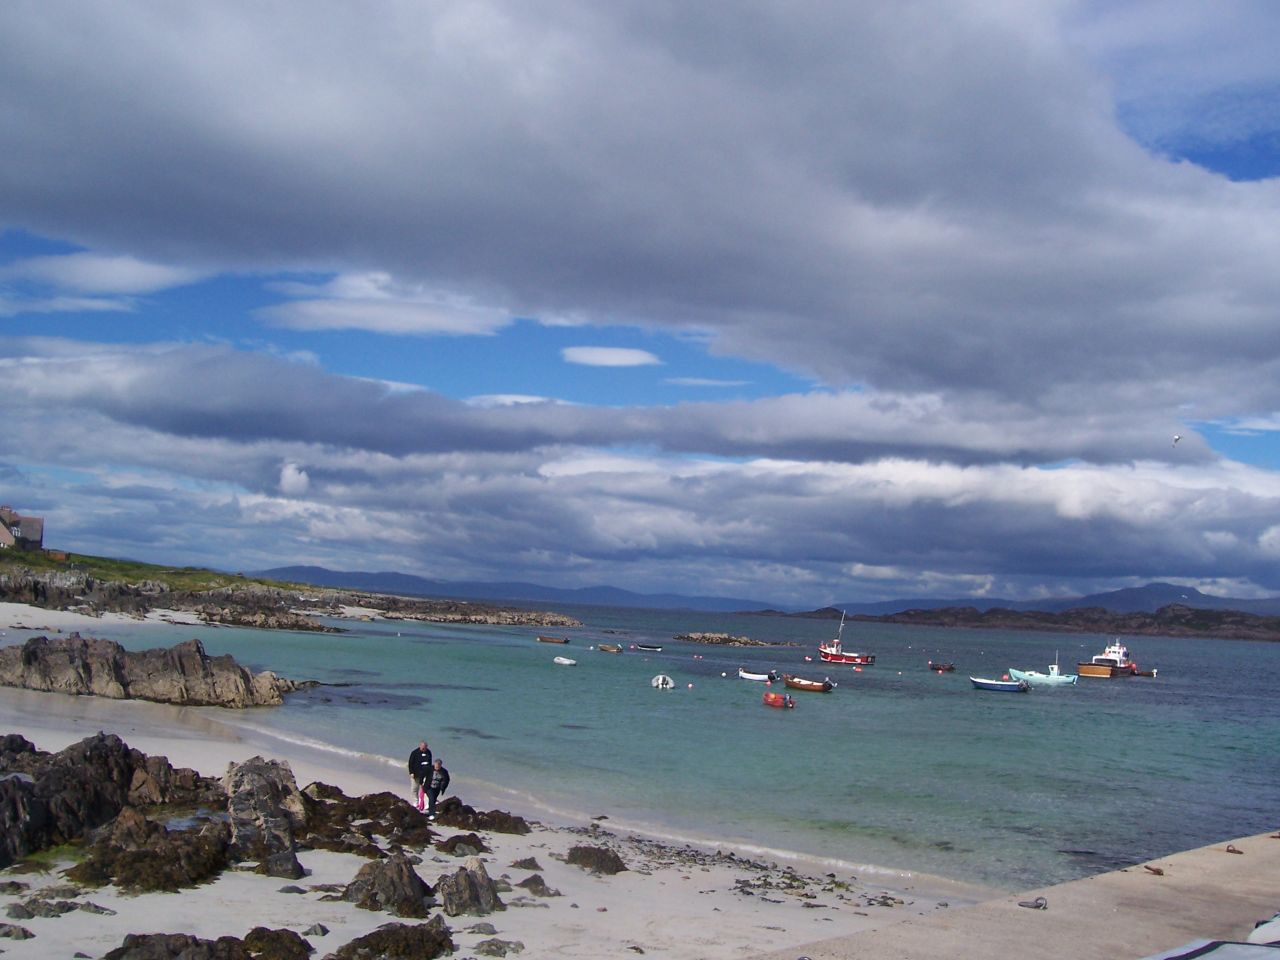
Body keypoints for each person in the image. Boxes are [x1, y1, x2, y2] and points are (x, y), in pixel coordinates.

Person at [408, 741, 432, 812]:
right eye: (423, 748)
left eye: (425, 748)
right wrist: (411, 772)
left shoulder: (429, 752)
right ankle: (416, 801)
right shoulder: (414, 753)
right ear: (420, 746)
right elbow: (410, 763)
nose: (424, 749)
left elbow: (430, 763)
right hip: (416, 774)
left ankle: (427, 804)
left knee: (426, 789)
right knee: (414, 789)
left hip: (425, 774)